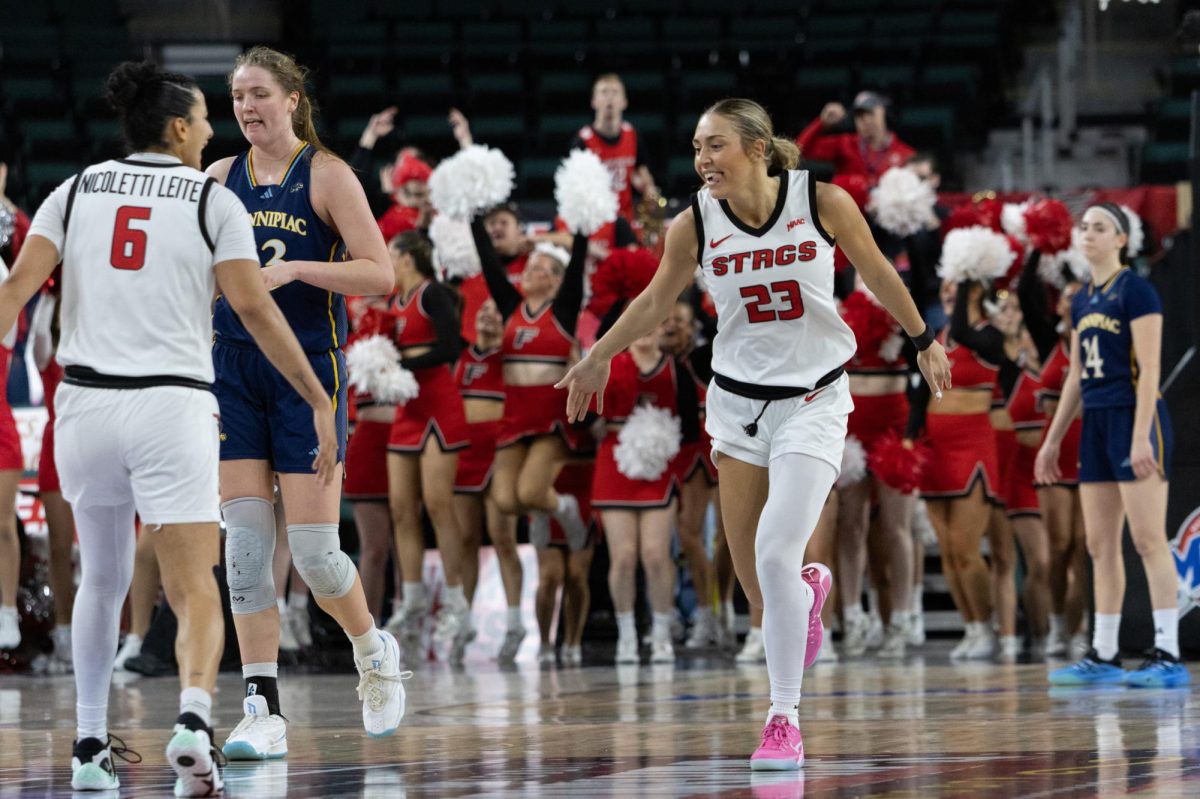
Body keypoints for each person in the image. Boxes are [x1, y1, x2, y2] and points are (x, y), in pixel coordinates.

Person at [557, 98, 949, 769]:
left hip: (813, 399)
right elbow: (654, 300)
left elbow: (880, 271)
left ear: (758, 148)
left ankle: (782, 718)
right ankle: (808, 592)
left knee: (773, 549)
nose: (703, 159)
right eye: (697, 147)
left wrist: (922, 339)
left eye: (715, 145)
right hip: (735, 406)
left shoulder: (820, 201)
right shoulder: (694, 224)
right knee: (757, 585)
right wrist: (598, 356)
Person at [0, 59, 340, 795]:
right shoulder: (212, 201)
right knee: (194, 583)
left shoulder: (75, 189)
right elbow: (255, 310)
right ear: (180, 127)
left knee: (101, 580)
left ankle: (90, 744)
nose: (217, 129)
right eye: (208, 120)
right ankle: (191, 718)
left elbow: (15, 293)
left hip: (85, 406)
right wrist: (316, 393)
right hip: (171, 406)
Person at [207, 46, 403, 760]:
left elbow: (379, 272)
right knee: (247, 551)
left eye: (259, 93)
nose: (247, 107)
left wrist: (294, 267)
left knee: (318, 556)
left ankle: (372, 647)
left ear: (292, 99)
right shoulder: (219, 177)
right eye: (236, 97)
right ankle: (261, 703)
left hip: (307, 374)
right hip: (230, 370)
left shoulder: (326, 174)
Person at [1038, 203, 1188, 688]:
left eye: (1100, 228)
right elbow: (1077, 376)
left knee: (1147, 540)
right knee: (1099, 545)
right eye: (1084, 227)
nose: (1088, 235)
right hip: (1098, 423)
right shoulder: (1082, 299)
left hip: (1135, 418)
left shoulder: (1137, 291)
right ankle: (1104, 654)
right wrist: (1053, 440)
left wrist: (1142, 433)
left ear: (1122, 239)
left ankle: (1167, 652)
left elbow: (1149, 371)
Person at [470, 221, 590, 548]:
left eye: (538, 267)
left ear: (554, 279)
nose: (528, 269)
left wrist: (583, 221)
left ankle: (562, 508)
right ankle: (548, 511)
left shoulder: (563, 310)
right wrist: (472, 215)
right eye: (530, 264)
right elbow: (488, 263)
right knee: (506, 500)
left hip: (551, 420)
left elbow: (578, 264)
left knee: (530, 491)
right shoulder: (512, 307)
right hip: (515, 417)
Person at [382, 231, 472, 659]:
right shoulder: (393, 303)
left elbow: (451, 347)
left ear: (405, 257)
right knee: (400, 507)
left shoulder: (432, 293)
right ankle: (414, 599)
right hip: (407, 407)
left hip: (438, 404)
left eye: (389, 251)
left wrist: (400, 362)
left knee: (438, 503)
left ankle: (457, 602)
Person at [908, 278, 1002, 660]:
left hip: (973, 448)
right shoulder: (938, 337)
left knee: (966, 547)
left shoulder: (989, 337)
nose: (946, 298)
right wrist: (909, 440)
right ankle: (972, 627)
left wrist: (967, 276)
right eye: (943, 291)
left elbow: (964, 328)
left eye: (954, 291)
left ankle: (988, 624)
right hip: (937, 451)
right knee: (947, 551)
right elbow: (919, 394)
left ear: (974, 293)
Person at [592, 327, 697, 664]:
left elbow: (690, 426)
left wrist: (664, 447)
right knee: (622, 557)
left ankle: (662, 632)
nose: (648, 331)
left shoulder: (674, 369)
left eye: (657, 322)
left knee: (654, 554)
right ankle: (626, 635)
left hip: (658, 465)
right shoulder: (609, 363)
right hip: (616, 460)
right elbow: (589, 414)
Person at [451, 298, 526, 662]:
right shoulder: (462, 357)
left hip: (499, 451)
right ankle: (463, 621)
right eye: (482, 311)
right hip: (465, 454)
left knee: (502, 536)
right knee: (466, 539)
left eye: (496, 312)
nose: (487, 316)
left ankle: (515, 623)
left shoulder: (512, 357)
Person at [570, 73, 659, 228]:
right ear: (594, 101)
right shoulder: (582, 141)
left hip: (626, 222)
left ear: (624, 102)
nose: (609, 98)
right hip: (596, 224)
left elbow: (642, 174)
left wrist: (649, 190)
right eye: (604, 92)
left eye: (615, 92)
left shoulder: (633, 135)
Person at [795, 91, 915, 187]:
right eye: (859, 115)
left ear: (885, 114)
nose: (866, 120)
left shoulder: (905, 154)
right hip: (848, 215)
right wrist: (821, 123)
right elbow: (800, 149)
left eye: (870, 113)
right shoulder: (845, 143)